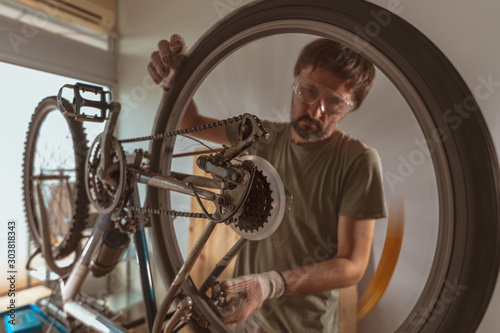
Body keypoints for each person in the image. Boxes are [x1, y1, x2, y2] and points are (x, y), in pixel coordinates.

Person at [148, 35, 387, 333]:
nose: (315, 111)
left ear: (351, 106)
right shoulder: (260, 136)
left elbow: (352, 263)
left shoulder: (358, 160)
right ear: (295, 81)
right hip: (246, 315)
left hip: (304, 327)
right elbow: (190, 121)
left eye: (334, 103)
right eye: (308, 91)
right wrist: (176, 82)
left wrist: (271, 284)